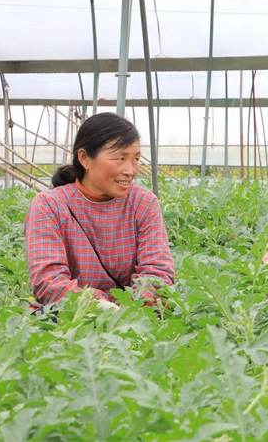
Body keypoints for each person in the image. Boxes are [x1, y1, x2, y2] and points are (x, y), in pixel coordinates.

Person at [25, 112, 175, 311]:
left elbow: (159, 273)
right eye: (120, 158)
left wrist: (130, 308)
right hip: (70, 320)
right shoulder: (49, 206)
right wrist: (97, 306)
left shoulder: (144, 203)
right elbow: (48, 281)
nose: (130, 170)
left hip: (135, 318)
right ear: (85, 158)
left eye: (136, 159)